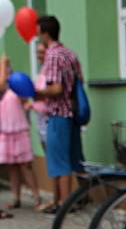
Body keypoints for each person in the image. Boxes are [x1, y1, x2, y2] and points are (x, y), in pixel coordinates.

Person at [34, 14, 83, 214]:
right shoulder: (70, 54)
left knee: (60, 162)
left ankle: (64, 204)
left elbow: (56, 88)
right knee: (73, 159)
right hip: (72, 114)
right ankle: (71, 199)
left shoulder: (53, 56)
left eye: (38, 33)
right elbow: (79, 81)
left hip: (58, 114)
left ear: (45, 33)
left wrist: (36, 92)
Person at [0, 55, 40, 216]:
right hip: (6, 131)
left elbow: (25, 98)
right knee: (13, 167)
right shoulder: (2, 89)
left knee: (26, 166)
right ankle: (16, 197)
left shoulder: (15, 84)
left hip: (19, 130)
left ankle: (37, 197)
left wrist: (30, 105)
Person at [27, 41, 50, 153]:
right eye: (37, 52)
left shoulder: (51, 71)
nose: (38, 55)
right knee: (48, 154)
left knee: (53, 154)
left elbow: (49, 97)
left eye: (42, 52)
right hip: (41, 121)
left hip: (50, 121)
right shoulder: (42, 70)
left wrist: (35, 96)